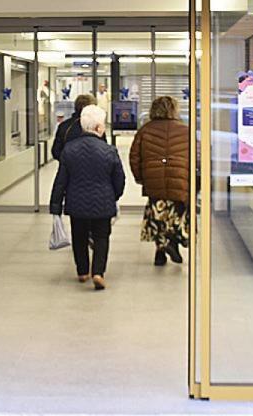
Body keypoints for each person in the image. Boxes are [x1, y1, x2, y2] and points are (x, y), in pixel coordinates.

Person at [49, 105, 125, 290]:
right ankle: (98, 272)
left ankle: (82, 271)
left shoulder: (69, 150)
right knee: (101, 237)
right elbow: (120, 179)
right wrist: (112, 196)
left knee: (79, 236)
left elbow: (61, 180)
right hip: (103, 202)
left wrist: (56, 205)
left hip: (76, 202)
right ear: (99, 128)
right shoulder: (109, 151)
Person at [129, 96, 190, 266]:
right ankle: (173, 243)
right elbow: (196, 155)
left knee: (158, 216)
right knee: (176, 215)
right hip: (179, 179)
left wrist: (140, 177)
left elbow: (134, 156)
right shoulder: (185, 130)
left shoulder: (145, 130)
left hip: (153, 180)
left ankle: (160, 252)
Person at [51, 93, 95, 161]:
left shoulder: (64, 126)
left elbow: (56, 151)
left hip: (68, 169)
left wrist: (68, 161)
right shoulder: (96, 127)